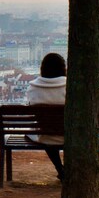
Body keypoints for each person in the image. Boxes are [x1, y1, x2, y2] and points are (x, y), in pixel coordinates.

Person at [26, 52, 67, 180]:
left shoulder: (32, 88)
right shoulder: (70, 86)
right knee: (58, 130)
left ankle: (60, 168)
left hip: (45, 136)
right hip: (70, 135)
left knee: (46, 132)